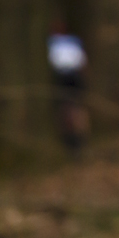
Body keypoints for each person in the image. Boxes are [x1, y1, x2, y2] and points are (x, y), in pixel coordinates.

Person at [47, 23, 90, 153]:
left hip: (68, 77)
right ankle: (73, 140)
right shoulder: (71, 41)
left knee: (71, 108)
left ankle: (77, 140)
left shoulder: (56, 42)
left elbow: (81, 61)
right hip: (68, 77)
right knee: (69, 108)